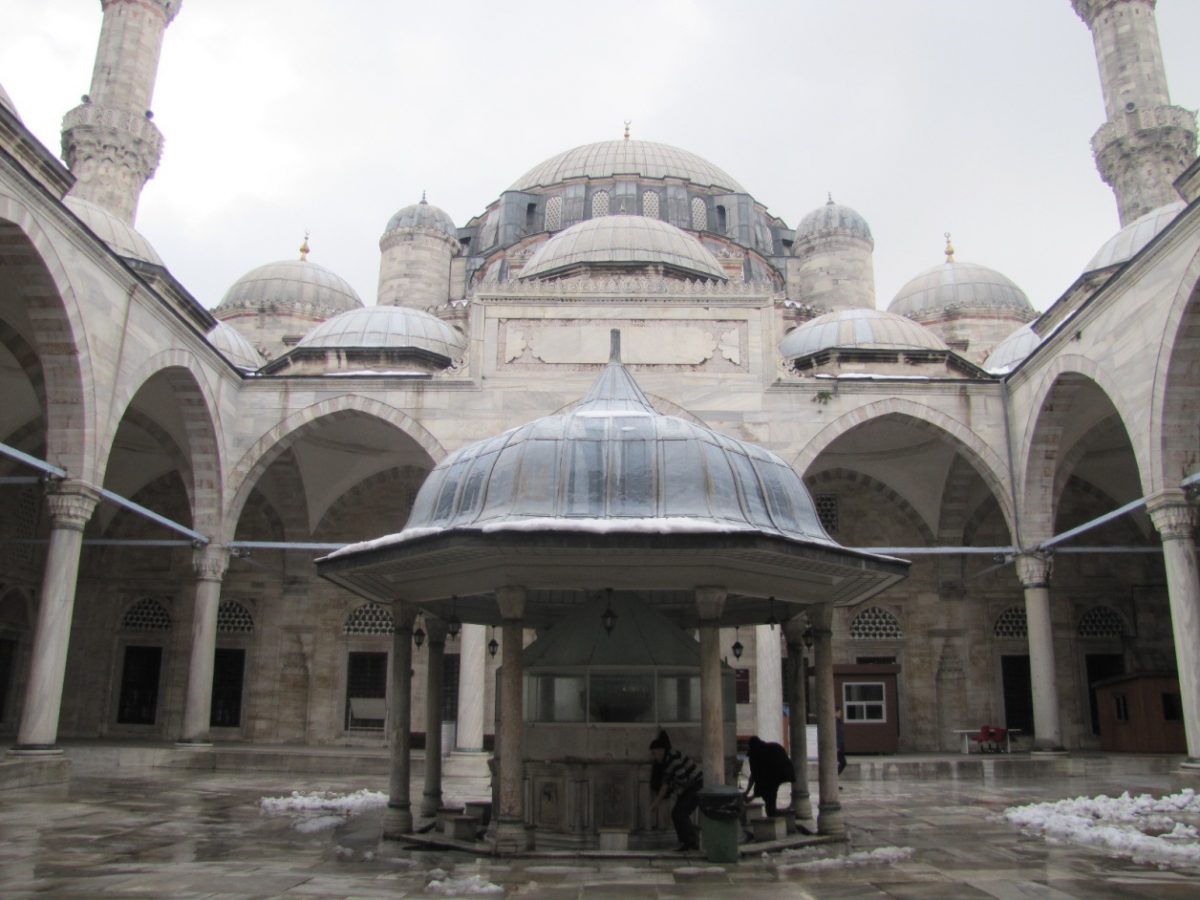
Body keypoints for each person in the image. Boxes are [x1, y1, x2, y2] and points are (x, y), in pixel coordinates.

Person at [648, 730, 703, 851]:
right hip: (691, 787)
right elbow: (665, 784)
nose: (654, 756)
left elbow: (682, 779)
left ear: (660, 750)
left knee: (680, 813)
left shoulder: (672, 758)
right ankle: (688, 842)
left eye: (654, 753)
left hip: (696, 786)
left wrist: (674, 789)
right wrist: (655, 804)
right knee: (678, 813)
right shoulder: (667, 761)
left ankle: (690, 842)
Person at [743, 735, 795, 816]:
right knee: (770, 802)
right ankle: (787, 814)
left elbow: (755, 777)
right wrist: (750, 795)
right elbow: (758, 777)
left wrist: (748, 794)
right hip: (782, 773)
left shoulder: (757, 755)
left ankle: (787, 816)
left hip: (777, 774)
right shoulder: (769, 748)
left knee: (770, 809)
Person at [836, 707, 847, 776]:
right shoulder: (834, 722)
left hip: (840, 747)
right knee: (843, 762)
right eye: (839, 713)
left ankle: (834, 779)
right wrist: (837, 746)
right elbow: (837, 735)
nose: (840, 714)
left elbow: (841, 734)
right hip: (837, 747)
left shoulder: (839, 722)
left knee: (843, 763)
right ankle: (833, 779)